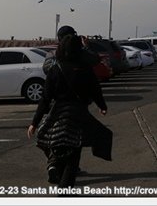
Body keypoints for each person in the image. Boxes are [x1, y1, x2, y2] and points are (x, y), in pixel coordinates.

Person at [28, 32, 110, 187]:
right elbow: (95, 89)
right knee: (74, 153)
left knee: (54, 143)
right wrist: (102, 106)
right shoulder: (85, 69)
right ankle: (65, 188)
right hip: (78, 114)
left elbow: (45, 98)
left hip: (58, 113)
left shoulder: (55, 68)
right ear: (79, 49)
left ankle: (55, 167)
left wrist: (35, 122)